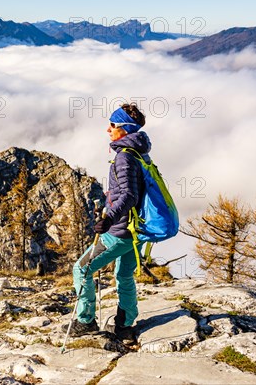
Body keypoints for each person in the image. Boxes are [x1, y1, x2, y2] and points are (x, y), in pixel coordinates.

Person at [70, 103, 150, 340]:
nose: (108, 129)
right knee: (124, 276)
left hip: (119, 231)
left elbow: (129, 195)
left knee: (81, 269)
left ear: (124, 129)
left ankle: (85, 322)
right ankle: (124, 324)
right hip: (136, 228)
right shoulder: (139, 152)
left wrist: (108, 218)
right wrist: (109, 202)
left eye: (113, 125)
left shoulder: (124, 158)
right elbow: (132, 192)